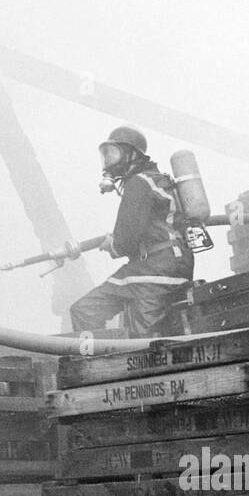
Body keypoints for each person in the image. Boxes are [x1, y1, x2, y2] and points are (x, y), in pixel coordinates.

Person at [68, 126, 194, 338]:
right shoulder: (158, 180)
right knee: (144, 339)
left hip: (153, 271)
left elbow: (125, 241)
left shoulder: (139, 183)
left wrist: (112, 245)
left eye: (112, 153)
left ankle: (98, 364)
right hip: (172, 267)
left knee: (85, 310)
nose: (108, 160)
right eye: (105, 154)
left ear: (132, 154)